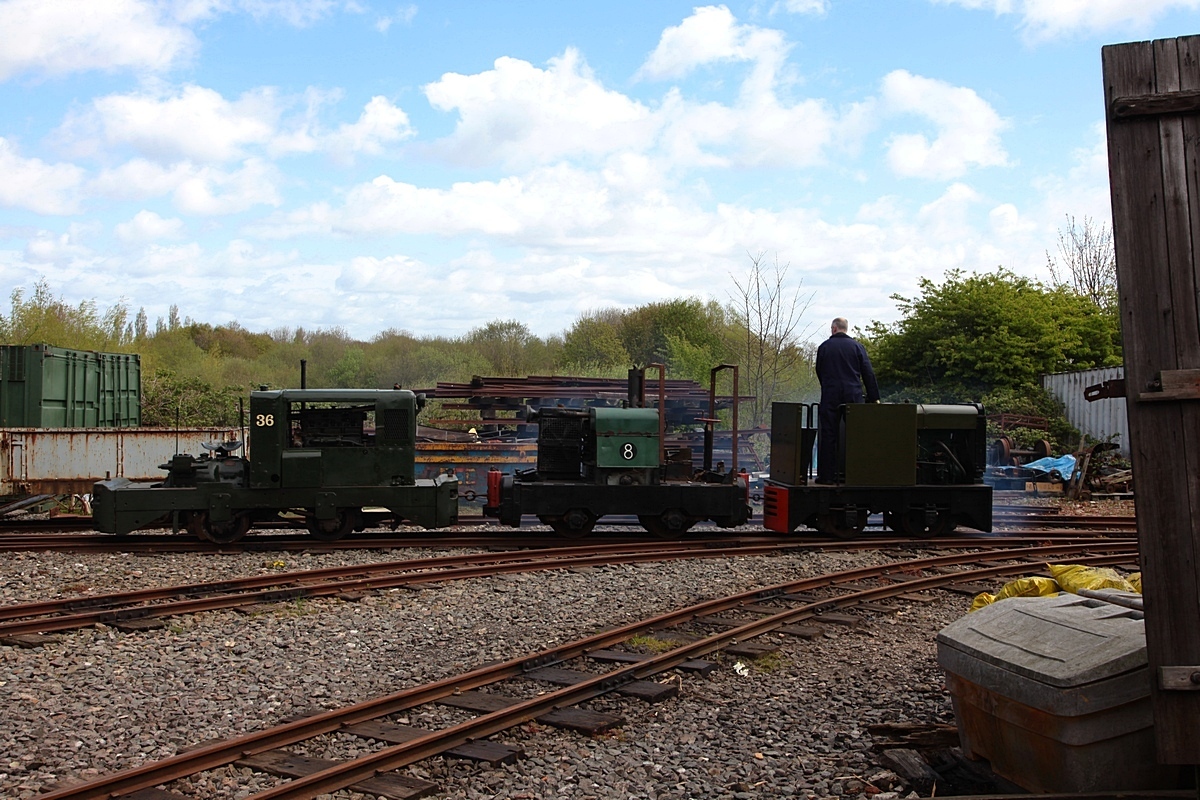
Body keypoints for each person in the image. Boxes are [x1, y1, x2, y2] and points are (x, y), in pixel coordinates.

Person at [814, 317, 879, 484]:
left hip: (830, 395)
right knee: (856, 435)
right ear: (845, 329)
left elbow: (819, 370)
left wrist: (827, 387)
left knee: (829, 435)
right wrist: (874, 397)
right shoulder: (857, 347)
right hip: (853, 395)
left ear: (834, 329)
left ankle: (827, 476)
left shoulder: (824, 347)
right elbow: (868, 373)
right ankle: (856, 475)